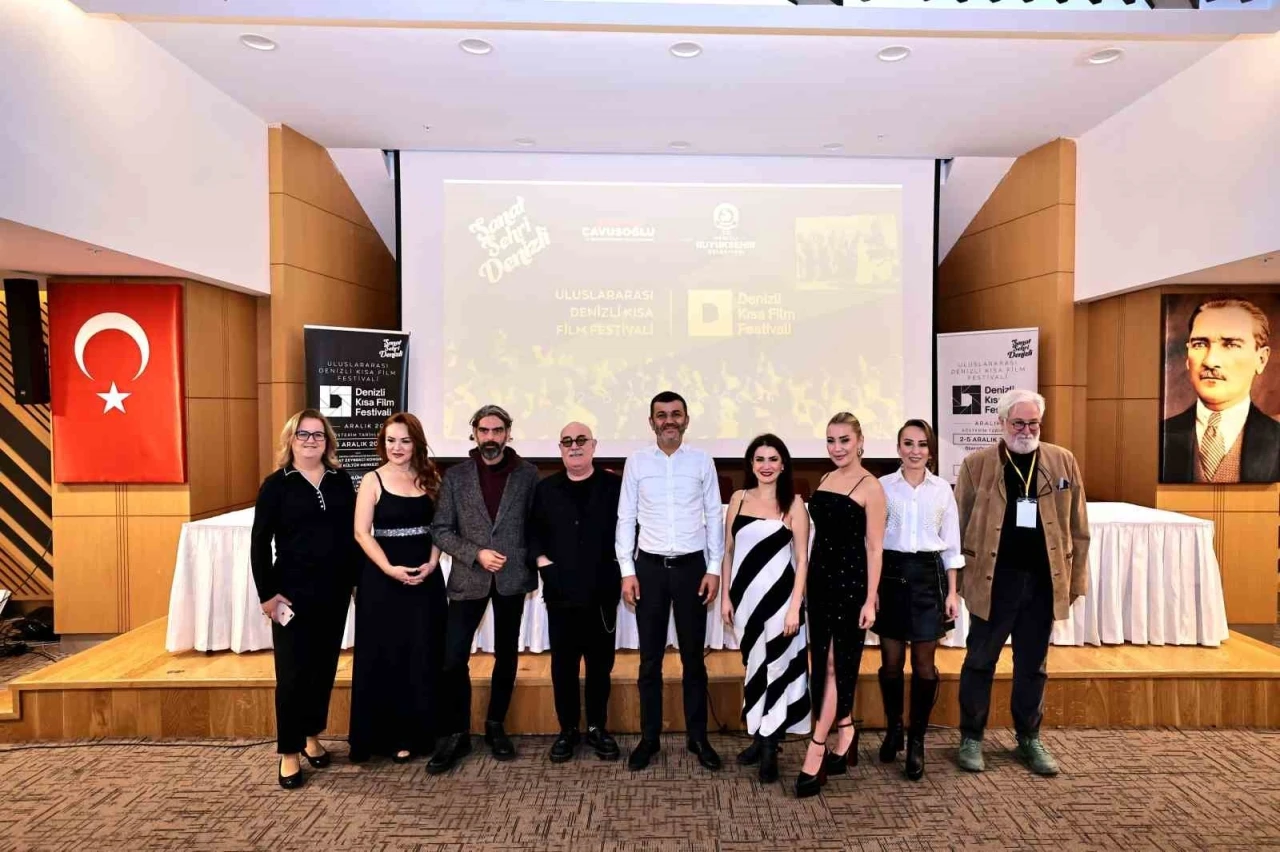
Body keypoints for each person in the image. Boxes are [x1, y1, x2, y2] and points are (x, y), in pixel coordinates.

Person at [954, 389, 1090, 777]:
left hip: (1043, 582)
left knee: (1033, 665)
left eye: (1033, 423)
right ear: (1001, 423)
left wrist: (1075, 582)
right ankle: (971, 738)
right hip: (993, 582)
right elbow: (957, 527)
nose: (1026, 430)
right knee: (979, 661)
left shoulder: (1063, 461)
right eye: (1018, 423)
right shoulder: (977, 465)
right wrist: (961, 583)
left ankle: (1029, 737)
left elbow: (1079, 528)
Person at [617, 391, 725, 772]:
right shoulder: (636, 462)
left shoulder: (701, 461)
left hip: (693, 569)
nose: (669, 421)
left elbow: (714, 515)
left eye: (675, 414)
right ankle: (649, 739)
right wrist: (627, 571)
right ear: (651, 422)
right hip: (648, 569)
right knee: (649, 661)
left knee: (694, 659)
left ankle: (698, 738)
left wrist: (714, 567)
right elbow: (626, 518)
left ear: (686, 420)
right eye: (661, 415)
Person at [250, 409, 358, 789]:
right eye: (303, 434)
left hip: (334, 591)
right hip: (291, 594)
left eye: (318, 435)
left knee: (322, 669)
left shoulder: (341, 481)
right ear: (291, 440)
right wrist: (267, 594)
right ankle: (289, 752)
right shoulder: (275, 485)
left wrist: (355, 582)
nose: (311, 441)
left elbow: (352, 536)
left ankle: (312, 736)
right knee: (293, 674)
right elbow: (259, 543)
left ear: (327, 441)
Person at [428, 404, 538, 773]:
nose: (490, 437)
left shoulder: (528, 474)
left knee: (506, 656)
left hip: (511, 579)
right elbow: (440, 529)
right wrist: (476, 553)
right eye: (484, 430)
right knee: (453, 658)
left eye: (497, 430)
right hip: (468, 578)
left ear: (508, 433)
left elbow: (535, 524)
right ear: (474, 433)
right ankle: (457, 732)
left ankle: (495, 725)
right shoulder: (455, 476)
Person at [795, 412, 884, 798]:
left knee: (837, 664)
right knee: (822, 662)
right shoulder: (826, 479)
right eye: (831, 440)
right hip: (820, 582)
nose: (837, 447)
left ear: (860, 441)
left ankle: (817, 747)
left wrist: (870, 598)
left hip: (851, 585)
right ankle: (845, 731)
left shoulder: (871, 486)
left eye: (844, 440)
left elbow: (875, 548)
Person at [348, 413, 446, 764]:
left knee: (422, 653)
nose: (397, 447)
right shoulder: (371, 480)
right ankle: (385, 737)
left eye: (405, 440)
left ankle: (419, 733)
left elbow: (441, 527)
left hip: (425, 579)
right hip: (382, 581)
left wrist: (432, 562)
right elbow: (361, 533)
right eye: (391, 440)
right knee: (386, 655)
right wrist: (390, 569)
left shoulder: (431, 477)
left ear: (416, 443)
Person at [719, 434, 811, 785]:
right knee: (755, 667)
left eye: (773, 459)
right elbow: (728, 551)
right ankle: (759, 736)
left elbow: (802, 560)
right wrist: (726, 598)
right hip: (746, 603)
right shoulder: (738, 499)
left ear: (783, 464)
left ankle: (771, 746)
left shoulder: (795, 504)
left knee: (777, 668)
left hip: (781, 603)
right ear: (751, 464)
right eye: (760, 459)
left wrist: (795, 607)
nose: (766, 465)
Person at [529, 422, 623, 763]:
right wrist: (545, 565)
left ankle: (597, 727)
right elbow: (532, 533)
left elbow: (631, 529)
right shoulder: (546, 488)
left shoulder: (615, 486)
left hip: (602, 593)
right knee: (563, 667)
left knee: (600, 666)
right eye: (567, 441)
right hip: (561, 593)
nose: (574, 446)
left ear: (594, 445)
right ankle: (567, 729)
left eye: (581, 440)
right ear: (560, 448)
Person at [875, 419, 963, 781]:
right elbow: (871, 542)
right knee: (891, 664)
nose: (915, 451)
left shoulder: (942, 490)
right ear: (898, 448)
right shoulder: (882, 486)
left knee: (924, 666)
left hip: (929, 578)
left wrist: (952, 592)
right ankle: (894, 727)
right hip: (890, 576)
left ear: (931, 450)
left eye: (922, 444)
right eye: (908, 443)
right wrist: (871, 591)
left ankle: (916, 740)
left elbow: (952, 545)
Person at [1162, 297, 1279, 483]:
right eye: (1200, 344)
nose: (1210, 361)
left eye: (1231, 344)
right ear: (1187, 356)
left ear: (1261, 359)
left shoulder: (1276, 437)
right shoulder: (1158, 436)